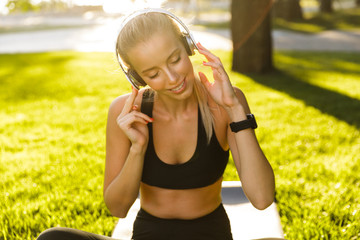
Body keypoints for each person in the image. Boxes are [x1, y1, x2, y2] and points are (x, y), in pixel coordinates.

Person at [37, 8, 275, 240]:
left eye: (175, 59)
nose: (172, 78)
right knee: (54, 238)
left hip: (209, 234)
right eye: (153, 74)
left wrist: (234, 109)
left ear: (188, 47)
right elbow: (118, 208)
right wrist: (137, 148)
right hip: (148, 234)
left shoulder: (227, 103)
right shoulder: (126, 111)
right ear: (137, 78)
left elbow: (262, 198)